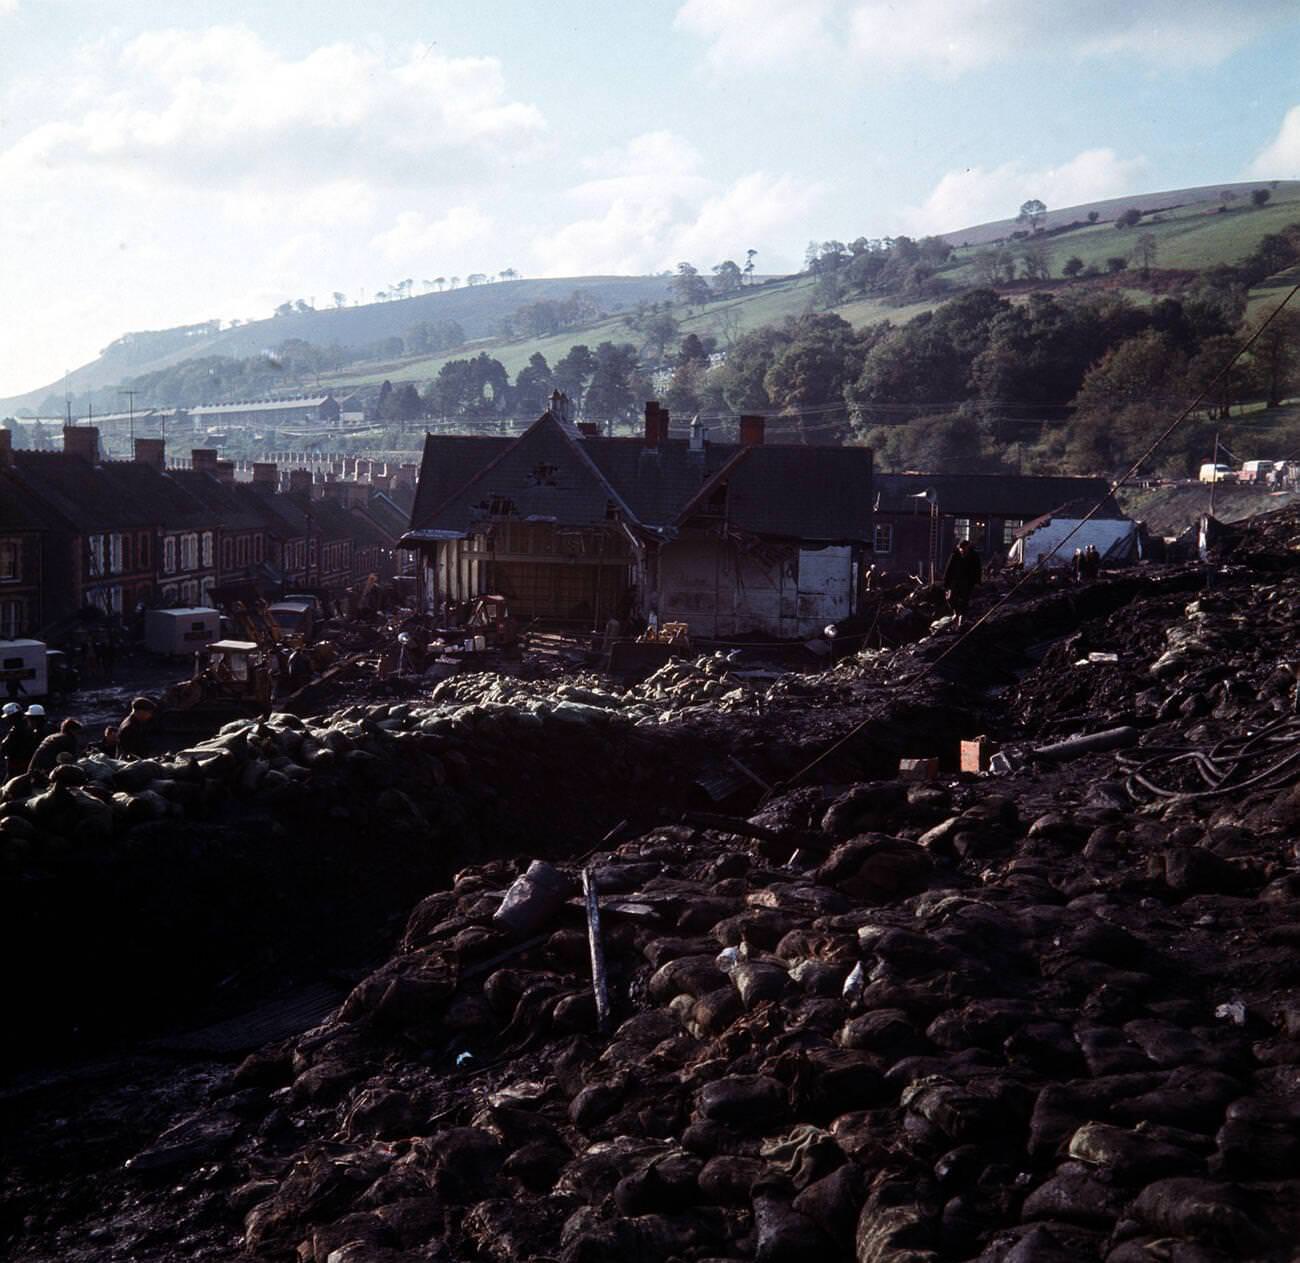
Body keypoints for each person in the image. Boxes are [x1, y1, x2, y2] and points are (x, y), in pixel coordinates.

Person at [942, 537, 982, 630]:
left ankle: (961, 619)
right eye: (961, 549)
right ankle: (956, 613)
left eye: (964, 549)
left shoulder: (974, 556)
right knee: (950, 598)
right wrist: (946, 584)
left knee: (964, 600)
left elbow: (977, 569)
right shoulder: (955, 555)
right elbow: (949, 569)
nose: (963, 551)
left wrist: (977, 582)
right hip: (955, 581)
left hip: (968, 582)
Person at [1, 709, 38, 778]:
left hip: (18, 764)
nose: (6, 720)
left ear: (13, 717)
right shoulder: (27, 727)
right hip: (24, 763)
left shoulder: (16, 731)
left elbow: (6, 747)